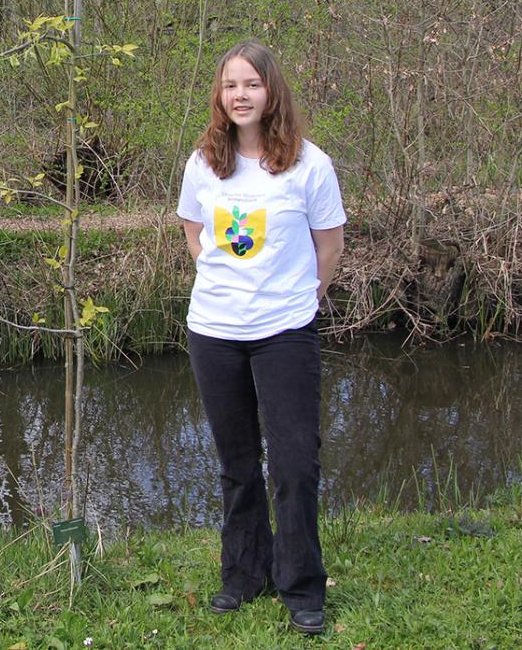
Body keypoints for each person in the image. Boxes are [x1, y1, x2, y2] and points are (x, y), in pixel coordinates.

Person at [175, 40, 346, 636]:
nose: (240, 95)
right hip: (214, 332)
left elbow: (330, 248)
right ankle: (245, 575)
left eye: (251, 84)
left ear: (271, 91)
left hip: (285, 334)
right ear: (219, 98)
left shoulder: (309, 165)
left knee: (295, 464)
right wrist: (227, 281)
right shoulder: (204, 163)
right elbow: (195, 235)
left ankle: (301, 585)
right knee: (237, 464)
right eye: (230, 86)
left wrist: (299, 296)